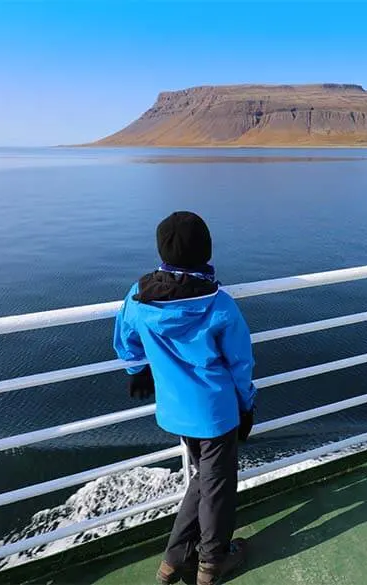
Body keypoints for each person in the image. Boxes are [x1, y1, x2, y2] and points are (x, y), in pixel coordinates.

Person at [113, 211, 256, 585]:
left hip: (175, 412)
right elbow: (241, 364)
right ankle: (212, 564)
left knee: (204, 482)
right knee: (218, 490)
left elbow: (124, 338)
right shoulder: (220, 305)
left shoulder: (138, 295)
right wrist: (247, 406)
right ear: (206, 252)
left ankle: (173, 561)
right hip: (217, 413)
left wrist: (136, 370)